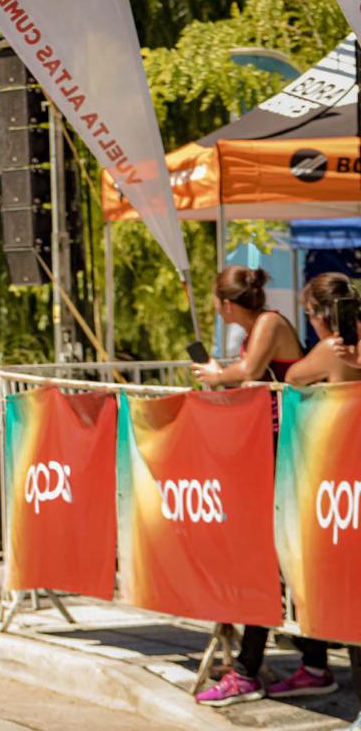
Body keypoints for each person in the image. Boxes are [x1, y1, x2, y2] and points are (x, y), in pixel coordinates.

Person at [192, 266, 307, 707]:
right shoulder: (259, 325)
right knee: (275, 553)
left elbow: (250, 371)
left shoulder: (269, 323)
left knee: (267, 553)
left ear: (226, 304)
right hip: (266, 447)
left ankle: (248, 669)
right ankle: (312, 664)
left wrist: (216, 375)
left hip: (282, 448)